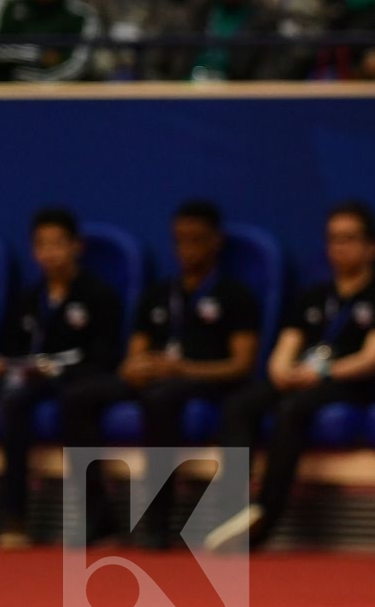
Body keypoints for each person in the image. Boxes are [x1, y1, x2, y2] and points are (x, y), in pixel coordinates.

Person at [61, 200, 261, 549]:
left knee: (160, 399)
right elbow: (135, 352)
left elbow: (240, 365)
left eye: (196, 239)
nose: (187, 249)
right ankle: (98, 516)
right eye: (180, 240)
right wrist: (137, 367)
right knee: (78, 397)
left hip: (207, 382)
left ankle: (156, 522)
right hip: (159, 378)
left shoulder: (235, 295)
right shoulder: (158, 293)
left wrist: (182, 368)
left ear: (216, 242)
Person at [209, 202, 375, 551]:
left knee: (293, 410)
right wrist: (281, 370)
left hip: (349, 384)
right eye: (333, 239)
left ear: (371, 248)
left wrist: (322, 372)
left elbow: (372, 359)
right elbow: (286, 345)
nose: (339, 247)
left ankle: (266, 512)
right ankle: (232, 505)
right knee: (241, 404)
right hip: (303, 377)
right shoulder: (313, 296)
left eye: (349, 238)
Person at [0, 207, 121, 548]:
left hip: (64, 379)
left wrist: (55, 369)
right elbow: (11, 348)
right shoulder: (30, 297)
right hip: (22, 373)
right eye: (41, 245)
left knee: (15, 399)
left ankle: (14, 515)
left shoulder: (98, 295)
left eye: (57, 244)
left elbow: (105, 357)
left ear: (76, 246)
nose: (49, 253)